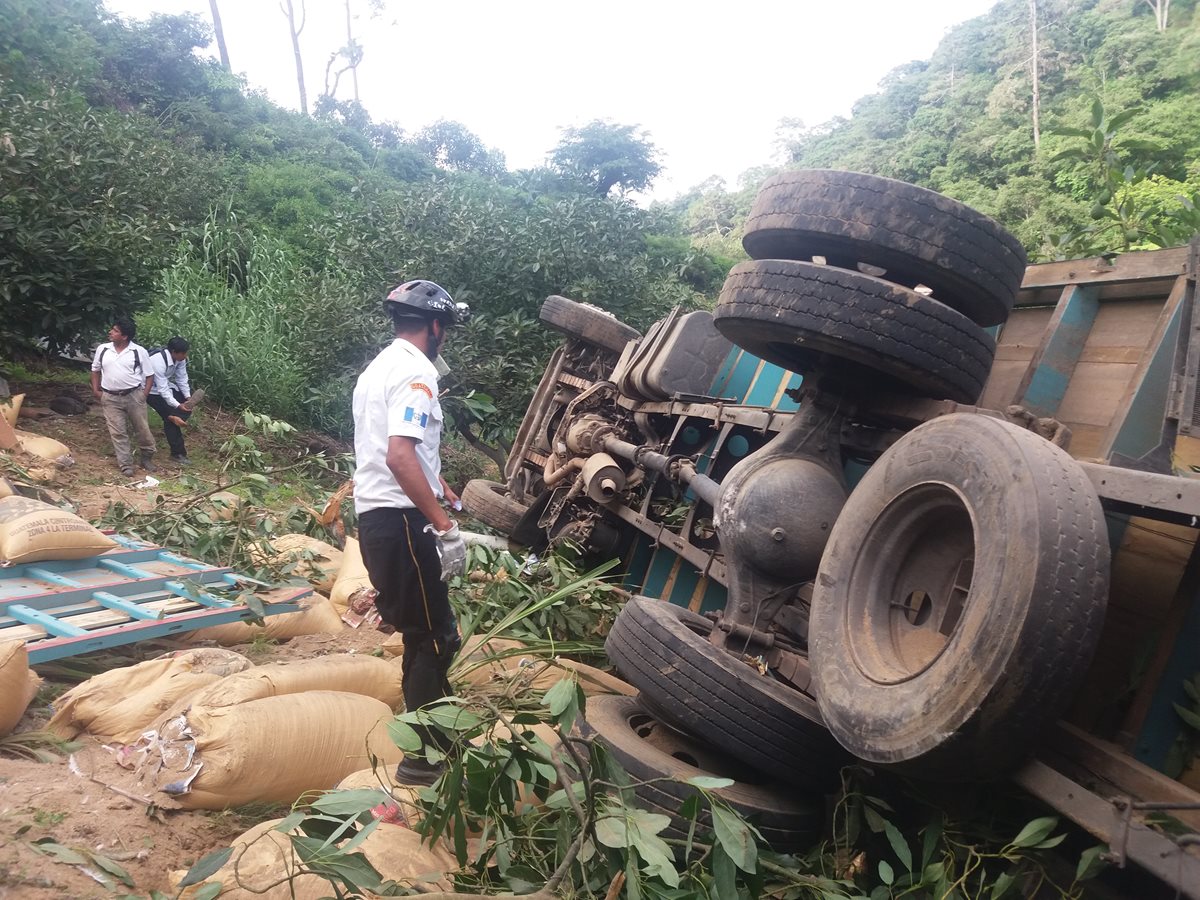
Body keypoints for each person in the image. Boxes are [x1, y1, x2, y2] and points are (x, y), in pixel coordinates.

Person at [352, 279, 471, 786]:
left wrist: (438, 479)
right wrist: (445, 528)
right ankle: (424, 759)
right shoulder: (419, 374)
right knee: (436, 637)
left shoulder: (379, 368)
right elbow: (399, 455)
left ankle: (427, 739)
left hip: (379, 517)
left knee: (422, 633)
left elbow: (403, 448)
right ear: (437, 327)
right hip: (403, 522)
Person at [90, 317, 156, 478]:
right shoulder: (103, 349)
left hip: (133, 395)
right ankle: (126, 464)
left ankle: (147, 457)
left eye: (115, 331)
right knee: (118, 432)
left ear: (124, 336)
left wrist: (143, 395)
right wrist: (96, 390)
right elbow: (95, 370)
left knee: (142, 429)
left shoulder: (138, 351)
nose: (110, 332)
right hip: (110, 397)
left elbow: (149, 375)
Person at [147, 336, 195, 466]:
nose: (185, 356)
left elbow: (182, 378)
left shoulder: (180, 360)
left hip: (166, 388)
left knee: (186, 408)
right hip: (149, 392)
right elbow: (162, 390)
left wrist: (187, 397)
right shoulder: (157, 362)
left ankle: (174, 417)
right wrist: (178, 405)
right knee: (171, 419)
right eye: (183, 353)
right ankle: (178, 454)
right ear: (173, 352)